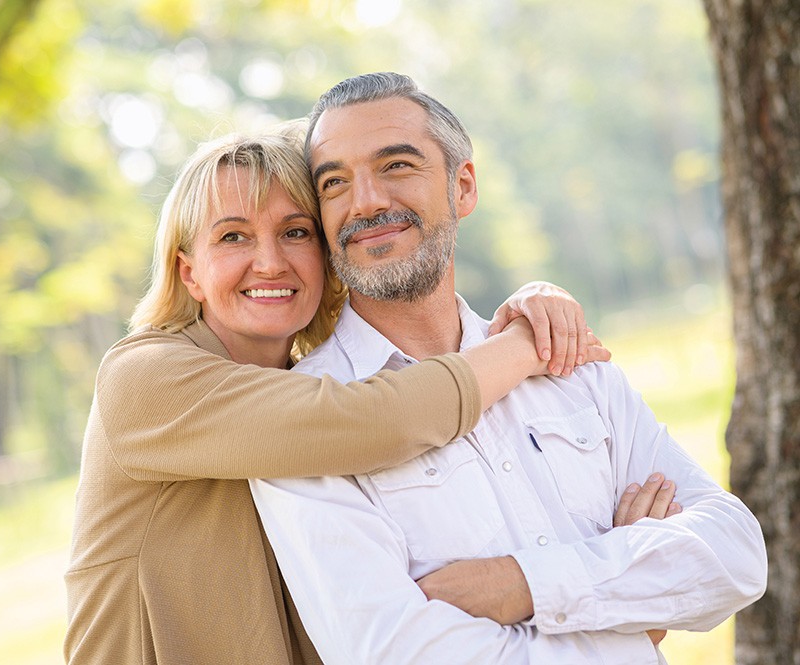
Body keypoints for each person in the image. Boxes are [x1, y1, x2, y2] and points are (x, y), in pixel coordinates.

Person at [250, 72, 768, 664]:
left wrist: (518, 585)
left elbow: (736, 555)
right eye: (335, 182)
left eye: (396, 166)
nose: (365, 201)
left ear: (462, 187)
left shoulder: (567, 362)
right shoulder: (303, 419)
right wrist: (631, 615)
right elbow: (397, 654)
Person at [63, 124, 612, 664]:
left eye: (296, 232)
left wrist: (614, 585)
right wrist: (526, 343)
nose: (271, 261)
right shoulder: (145, 377)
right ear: (190, 273)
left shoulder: (312, 384)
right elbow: (378, 420)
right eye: (233, 236)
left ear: (329, 258)